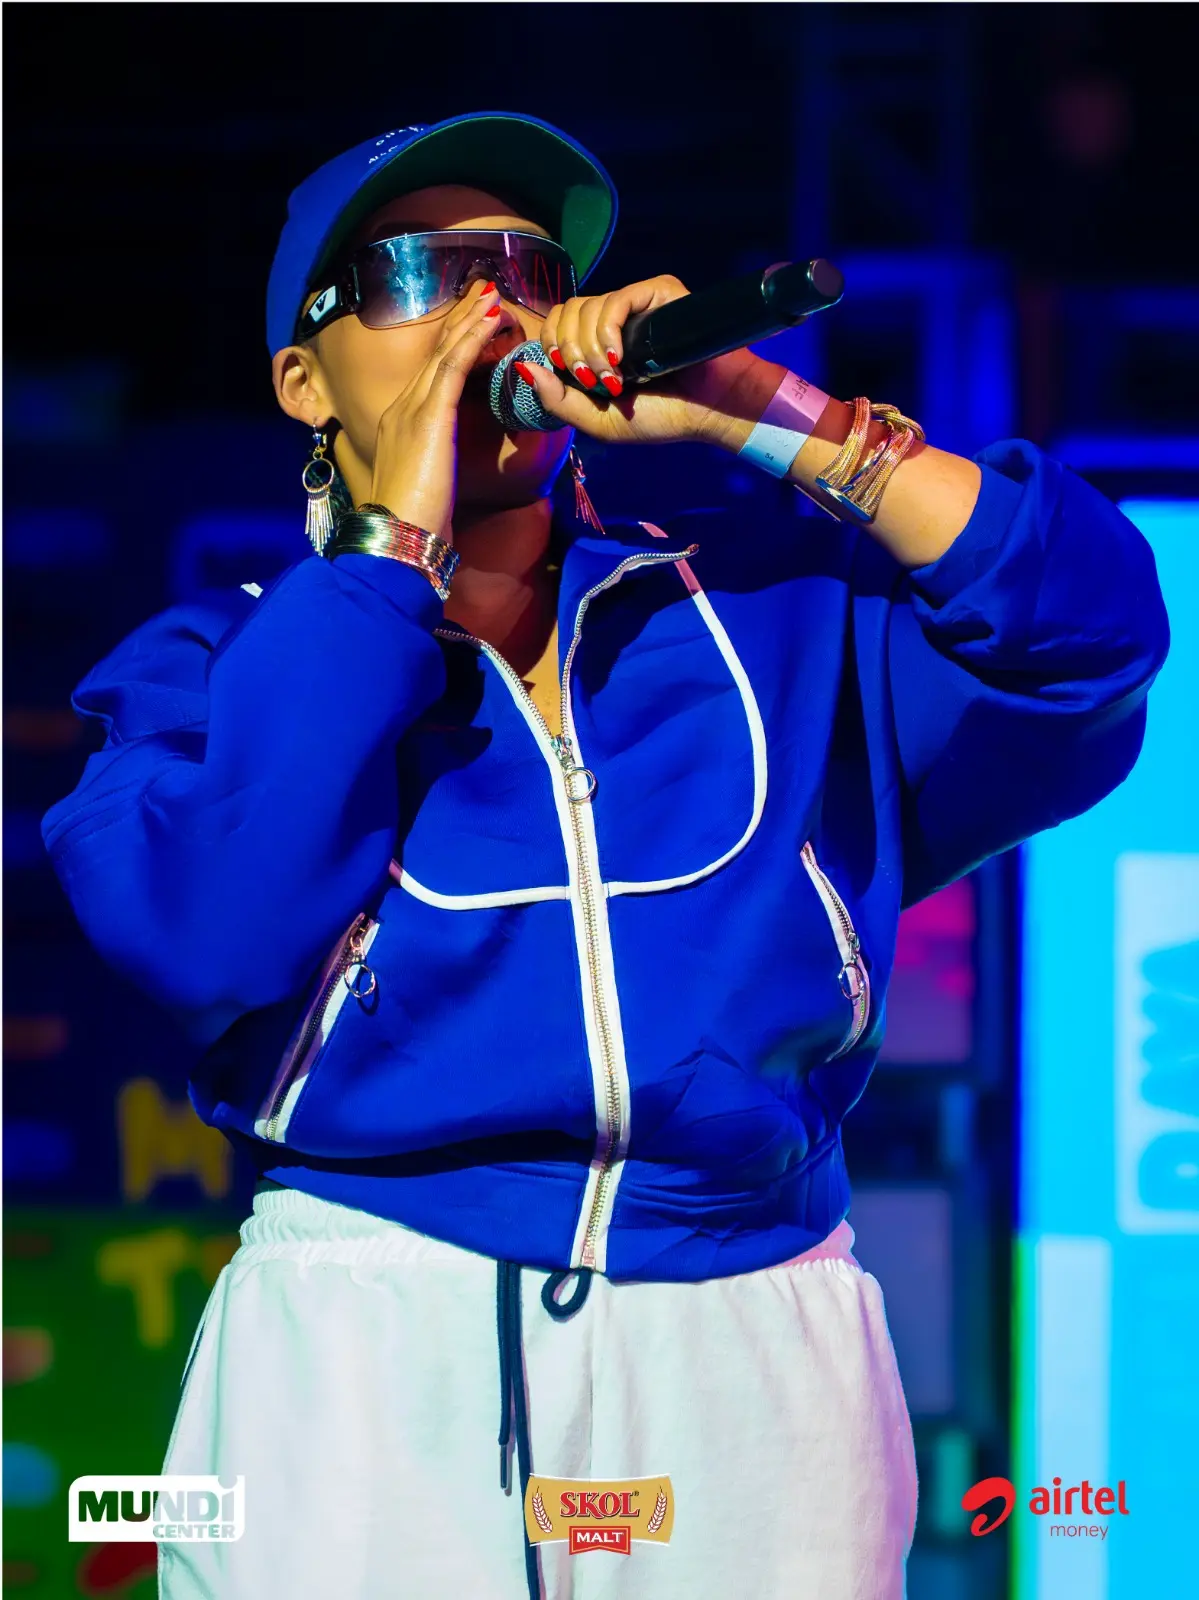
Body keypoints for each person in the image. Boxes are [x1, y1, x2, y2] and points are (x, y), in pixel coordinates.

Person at [41, 111, 1169, 1600]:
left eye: (523, 271)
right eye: (419, 276)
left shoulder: (774, 617)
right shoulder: (210, 664)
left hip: (755, 1344)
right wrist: (389, 561)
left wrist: (766, 412)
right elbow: (202, 926)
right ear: (304, 379)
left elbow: (1089, 642)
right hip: (375, 1334)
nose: (486, 310)